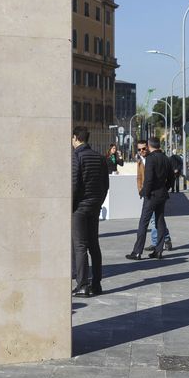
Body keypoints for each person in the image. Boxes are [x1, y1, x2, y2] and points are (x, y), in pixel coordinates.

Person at [72, 127, 110, 297]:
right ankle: (96, 284)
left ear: (75, 138)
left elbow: (74, 184)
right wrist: (98, 201)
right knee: (94, 245)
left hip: (79, 207)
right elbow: (105, 185)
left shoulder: (76, 157)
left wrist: (71, 206)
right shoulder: (100, 157)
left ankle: (82, 284)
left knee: (80, 245)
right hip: (94, 205)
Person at [128, 137, 173, 260]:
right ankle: (158, 251)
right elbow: (171, 179)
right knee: (160, 221)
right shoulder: (166, 159)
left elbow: (148, 180)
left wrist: (144, 192)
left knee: (143, 223)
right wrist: (164, 188)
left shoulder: (150, 159)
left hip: (151, 195)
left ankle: (137, 252)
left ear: (149, 145)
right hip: (162, 195)